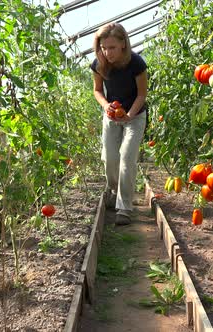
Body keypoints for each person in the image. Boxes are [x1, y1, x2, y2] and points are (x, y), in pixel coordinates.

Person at [90, 22, 148, 226]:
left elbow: (142, 94)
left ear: (123, 44)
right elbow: (97, 90)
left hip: (135, 115)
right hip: (112, 115)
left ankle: (124, 207)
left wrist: (130, 115)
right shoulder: (99, 64)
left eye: (112, 47)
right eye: (103, 47)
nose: (107, 52)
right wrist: (106, 105)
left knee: (127, 157)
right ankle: (114, 190)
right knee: (110, 158)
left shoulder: (137, 64)